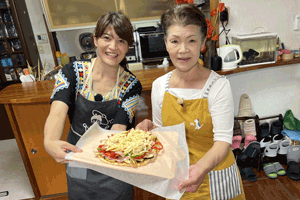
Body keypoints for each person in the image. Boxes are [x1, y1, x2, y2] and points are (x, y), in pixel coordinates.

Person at [136, 4, 246, 200]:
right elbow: (164, 134)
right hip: (179, 178)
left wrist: (200, 169)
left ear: (202, 43)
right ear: (166, 42)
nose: (183, 50)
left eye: (192, 40)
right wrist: (151, 130)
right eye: (175, 41)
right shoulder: (160, 86)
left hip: (217, 178)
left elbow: (223, 142)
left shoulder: (218, 86)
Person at [44, 11, 142, 200]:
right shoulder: (72, 72)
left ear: (128, 46)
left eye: (121, 41)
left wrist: (106, 153)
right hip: (78, 156)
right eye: (107, 38)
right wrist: (49, 141)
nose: (113, 47)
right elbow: (57, 111)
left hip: (114, 158)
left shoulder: (131, 85)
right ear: (95, 39)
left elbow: (118, 129)